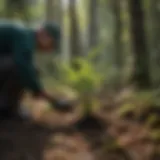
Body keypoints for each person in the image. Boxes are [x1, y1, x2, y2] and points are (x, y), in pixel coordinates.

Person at [0, 21, 72, 120]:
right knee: (18, 68)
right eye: (52, 43)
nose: (49, 49)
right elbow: (23, 67)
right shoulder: (24, 37)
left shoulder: (24, 35)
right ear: (43, 34)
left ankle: (7, 106)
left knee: (27, 69)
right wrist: (38, 91)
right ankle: (7, 108)